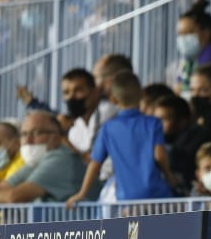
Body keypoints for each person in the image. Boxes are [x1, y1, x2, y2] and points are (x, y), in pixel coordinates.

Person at [0, 111, 88, 224]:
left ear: (56, 137)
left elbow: (14, 196)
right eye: (24, 134)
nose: (28, 140)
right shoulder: (37, 161)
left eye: (36, 133)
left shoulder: (60, 158)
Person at [70, 71, 174, 205]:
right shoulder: (153, 123)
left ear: (113, 99)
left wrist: (82, 193)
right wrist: (170, 176)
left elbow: (94, 164)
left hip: (127, 199)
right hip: (156, 195)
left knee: (133, 226)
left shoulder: (108, 128)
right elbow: (159, 155)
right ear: (142, 94)